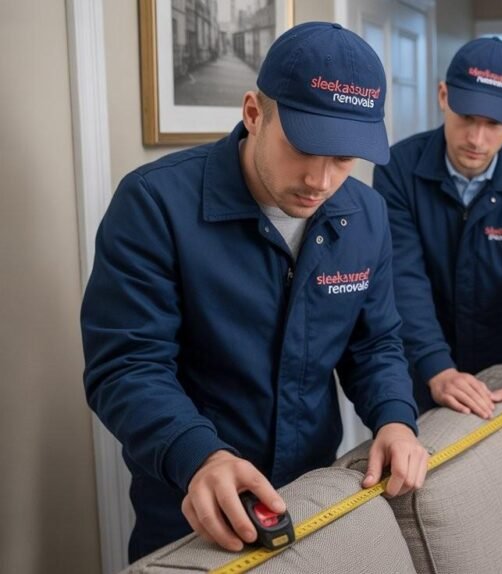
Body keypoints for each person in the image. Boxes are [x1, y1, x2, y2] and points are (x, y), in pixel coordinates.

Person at [81, 22, 429, 562]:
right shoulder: (153, 205)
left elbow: (375, 344)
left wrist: (395, 418)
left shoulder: (367, 215)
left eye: (343, 159)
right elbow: (127, 366)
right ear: (253, 113)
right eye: (304, 148)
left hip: (313, 495)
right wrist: (201, 457)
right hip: (191, 501)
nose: (321, 180)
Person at [373, 38, 502, 452]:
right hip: (420, 362)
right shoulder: (397, 170)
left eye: (494, 124)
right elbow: (403, 278)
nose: (477, 139)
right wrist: (436, 367)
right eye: (466, 117)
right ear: (444, 96)